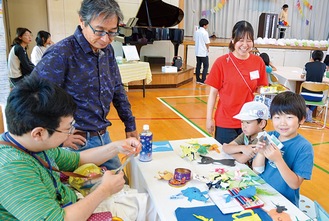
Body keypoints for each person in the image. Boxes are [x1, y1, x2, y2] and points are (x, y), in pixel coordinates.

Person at [0, 76, 141, 220]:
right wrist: (104, 190)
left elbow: (78, 159)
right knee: (140, 206)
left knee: (137, 202)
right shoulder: (12, 168)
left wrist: (117, 146)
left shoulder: (30, 143)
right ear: (38, 133)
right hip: (66, 214)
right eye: (67, 128)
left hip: (67, 202)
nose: (71, 132)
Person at [31, 0, 138, 171]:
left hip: (103, 136)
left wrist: (130, 124)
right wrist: (59, 137)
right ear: (82, 21)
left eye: (112, 32)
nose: (105, 39)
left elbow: (117, 88)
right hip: (74, 143)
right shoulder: (61, 53)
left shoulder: (107, 51)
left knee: (120, 185)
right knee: (87, 192)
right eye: (100, 31)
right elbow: (33, 99)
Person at [205, 20, 268, 144]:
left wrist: (273, 91)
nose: (245, 45)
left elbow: (260, 88)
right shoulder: (221, 63)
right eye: (240, 40)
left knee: (248, 159)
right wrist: (209, 119)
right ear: (233, 40)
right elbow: (213, 93)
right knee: (226, 159)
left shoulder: (258, 62)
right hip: (225, 121)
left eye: (249, 40)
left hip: (250, 121)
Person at [252, 91, 314, 207]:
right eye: (277, 117)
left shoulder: (304, 148)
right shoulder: (269, 136)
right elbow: (256, 171)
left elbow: (295, 184)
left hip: (283, 203)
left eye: (289, 117)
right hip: (260, 195)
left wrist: (278, 160)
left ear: (301, 119)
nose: (282, 123)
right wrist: (260, 153)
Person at [222, 101, 268, 166]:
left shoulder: (262, 140)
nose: (244, 126)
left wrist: (232, 151)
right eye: (242, 122)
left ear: (262, 123)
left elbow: (242, 159)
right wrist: (242, 148)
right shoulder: (246, 134)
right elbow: (225, 148)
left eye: (248, 122)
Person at [300, 50, 327, 122]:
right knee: (321, 96)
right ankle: (310, 110)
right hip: (318, 97)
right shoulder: (324, 66)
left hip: (305, 95)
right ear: (322, 58)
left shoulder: (307, 65)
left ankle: (306, 109)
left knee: (302, 97)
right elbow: (323, 77)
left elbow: (302, 76)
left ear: (312, 57)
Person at [194, 18, 210, 85]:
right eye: (207, 25)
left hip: (197, 51)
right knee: (206, 66)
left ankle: (198, 79)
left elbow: (194, 40)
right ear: (204, 25)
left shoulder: (196, 32)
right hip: (203, 52)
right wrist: (208, 48)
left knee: (198, 65)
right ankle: (203, 80)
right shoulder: (205, 33)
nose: (207, 26)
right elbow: (207, 42)